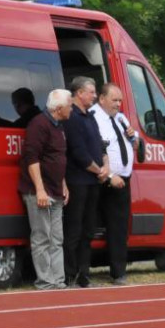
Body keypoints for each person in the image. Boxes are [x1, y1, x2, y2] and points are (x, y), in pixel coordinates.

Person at [21, 90, 71, 290]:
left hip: (56, 189)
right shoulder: (39, 124)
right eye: (69, 105)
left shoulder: (59, 126)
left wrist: (63, 183)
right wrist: (40, 190)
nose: (71, 109)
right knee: (42, 237)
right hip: (41, 191)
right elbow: (31, 158)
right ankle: (46, 282)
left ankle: (58, 280)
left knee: (57, 238)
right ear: (58, 108)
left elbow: (58, 158)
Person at [62, 76, 107, 288]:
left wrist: (106, 165)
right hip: (77, 181)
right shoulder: (71, 117)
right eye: (91, 92)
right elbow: (78, 152)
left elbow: (100, 143)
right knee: (74, 229)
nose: (94, 96)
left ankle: (84, 273)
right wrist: (99, 170)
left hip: (92, 181)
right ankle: (69, 274)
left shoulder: (90, 116)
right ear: (79, 93)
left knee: (88, 229)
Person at [91, 82, 138, 285]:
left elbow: (135, 143)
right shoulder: (93, 117)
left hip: (122, 180)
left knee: (119, 227)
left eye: (120, 100)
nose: (118, 104)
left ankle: (118, 271)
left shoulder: (120, 118)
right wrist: (109, 175)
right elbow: (95, 149)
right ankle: (81, 271)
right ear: (102, 99)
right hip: (102, 178)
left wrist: (133, 137)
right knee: (91, 224)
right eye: (114, 100)